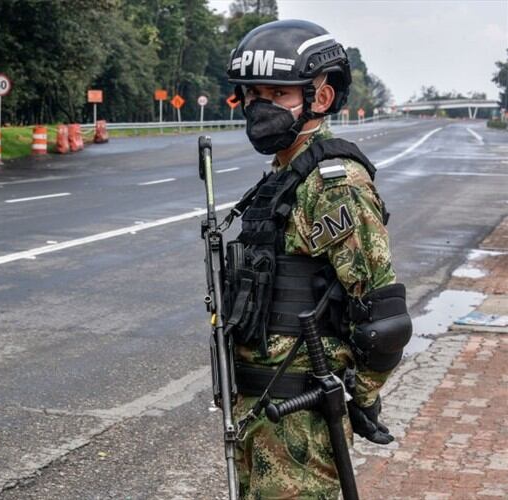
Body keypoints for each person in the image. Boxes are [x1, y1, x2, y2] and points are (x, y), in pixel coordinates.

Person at [220, 19, 412, 499]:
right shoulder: (280, 181)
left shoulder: (333, 185)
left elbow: (383, 311)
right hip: (258, 409)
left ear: (319, 99)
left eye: (277, 93)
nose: (258, 107)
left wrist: (363, 393)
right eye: (251, 94)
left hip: (299, 417)